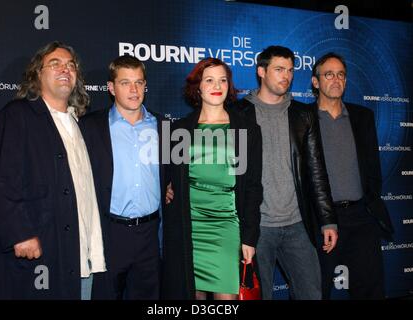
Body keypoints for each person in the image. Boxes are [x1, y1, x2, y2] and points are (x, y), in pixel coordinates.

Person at [0, 41, 106, 299]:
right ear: (37, 73)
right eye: (55, 64)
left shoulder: (78, 123)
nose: (65, 69)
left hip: (82, 251)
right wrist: (21, 233)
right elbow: (2, 180)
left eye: (70, 66)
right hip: (42, 252)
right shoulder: (18, 115)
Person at [234, 46, 338, 300]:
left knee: (312, 294)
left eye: (290, 70)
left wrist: (328, 219)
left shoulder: (303, 115)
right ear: (261, 71)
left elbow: (317, 170)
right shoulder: (238, 113)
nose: (287, 76)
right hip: (255, 228)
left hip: (297, 225)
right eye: (279, 69)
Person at [161, 57, 263, 300]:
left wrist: (249, 238)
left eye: (222, 80)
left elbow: (253, 188)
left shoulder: (248, 130)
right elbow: (169, 175)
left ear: (229, 86)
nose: (217, 85)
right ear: (198, 86)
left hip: (227, 226)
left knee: (225, 299)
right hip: (190, 227)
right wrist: (167, 186)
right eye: (209, 80)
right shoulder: (179, 130)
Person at [79, 55, 166, 300]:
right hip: (110, 233)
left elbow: (173, 176)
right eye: (125, 82)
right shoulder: (90, 127)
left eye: (139, 82)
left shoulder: (164, 126)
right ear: (111, 87)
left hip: (151, 235)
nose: (134, 90)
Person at [311, 52, 394, 299]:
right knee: (315, 290)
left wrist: (370, 204)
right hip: (321, 219)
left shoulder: (363, 117)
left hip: (361, 217)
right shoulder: (302, 118)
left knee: (370, 290)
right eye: (328, 74)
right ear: (316, 82)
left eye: (341, 75)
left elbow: (372, 168)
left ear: (345, 81)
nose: (336, 79)